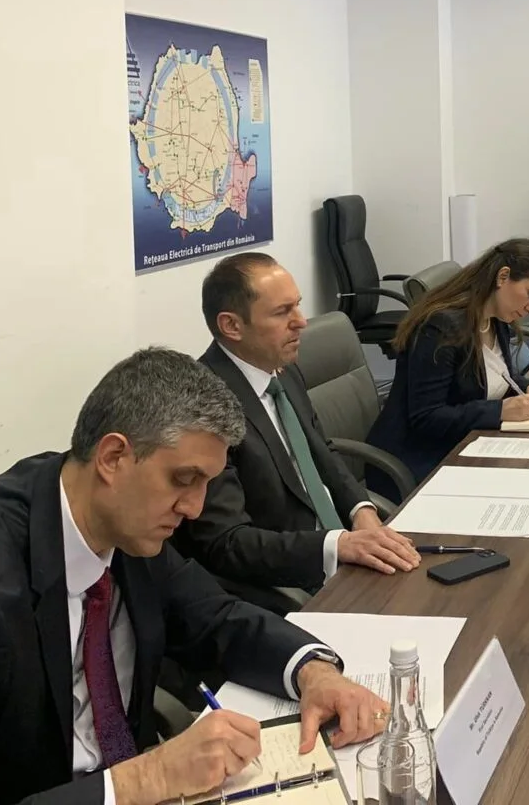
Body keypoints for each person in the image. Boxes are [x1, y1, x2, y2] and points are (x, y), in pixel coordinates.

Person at [0, 348, 388, 805]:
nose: (195, 507)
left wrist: (314, 671)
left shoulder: (120, 521)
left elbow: (215, 618)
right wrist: (145, 778)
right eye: (184, 480)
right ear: (113, 457)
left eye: (206, 484)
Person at [180, 253, 420, 606]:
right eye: (282, 312)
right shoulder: (203, 404)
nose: (301, 322)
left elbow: (322, 452)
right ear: (232, 326)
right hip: (292, 577)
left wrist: (361, 511)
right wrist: (335, 546)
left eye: (298, 305)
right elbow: (226, 543)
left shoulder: (282, 369)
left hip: (342, 547)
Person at [366, 239, 529, 497]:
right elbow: (427, 417)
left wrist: (527, 386)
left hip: (464, 442)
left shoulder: (496, 319)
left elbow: (497, 375)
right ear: (503, 277)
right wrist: (500, 410)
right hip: (415, 460)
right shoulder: (440, 328)